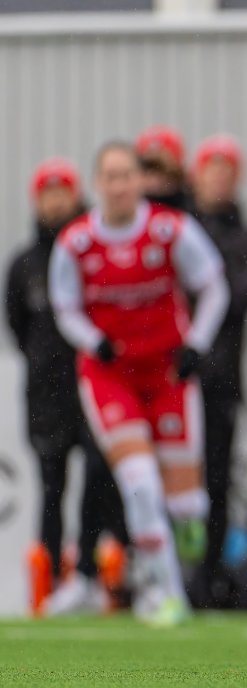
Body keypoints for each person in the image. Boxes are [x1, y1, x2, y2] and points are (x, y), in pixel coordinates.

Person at [48, 142, 229, 625]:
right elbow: (63, 306)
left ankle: (182, 546)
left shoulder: (171, 230)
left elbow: (214, 284)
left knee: (186, 505)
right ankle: (164, 592)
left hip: (167, 375)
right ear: (97, 183)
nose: (120, 184)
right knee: (140, 486)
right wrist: (92, 339)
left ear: (139, 182)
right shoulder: (76, 243)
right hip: (111, 378)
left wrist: (198, 342)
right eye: (111, 175)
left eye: (128, 175)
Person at [4, 159, 125, 614]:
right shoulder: (23, 265)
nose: (55, 201)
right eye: (46, 193)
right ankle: (52, 581)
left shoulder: (91, 252)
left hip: (93, 386)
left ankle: (94, 576)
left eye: (63, 192)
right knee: (51, 488)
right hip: (45, 395)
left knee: (100, 480)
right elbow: (17, 326)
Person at [187, 134, 247, 608]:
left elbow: (235, 297)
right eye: (210, 169)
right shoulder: (176, 230)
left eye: (227, 171)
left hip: (222, 381)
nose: (219, 179)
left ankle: (209, 576)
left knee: (216, 482)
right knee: (171, 483)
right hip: (174, 381)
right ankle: (162, 575)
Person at [136, 125, 191, 211]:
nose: (155, 178)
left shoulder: (191, 217)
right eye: (148, 167)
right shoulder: (128, 213)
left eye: (162, 168)